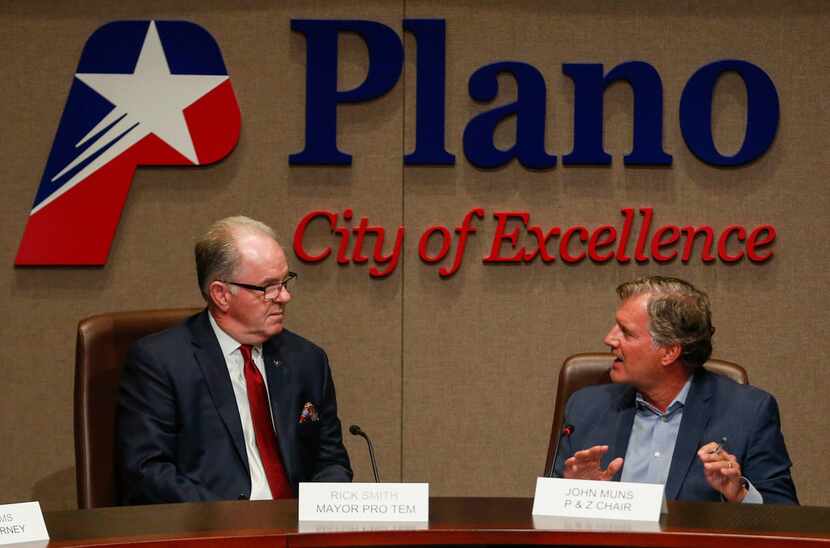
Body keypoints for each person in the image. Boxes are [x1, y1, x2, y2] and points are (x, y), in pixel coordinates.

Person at [118, 216, 352, 504]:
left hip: (295, 531)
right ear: (221, 294)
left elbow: (331, 461)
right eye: (268, 287)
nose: (285, 296)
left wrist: (318, 513)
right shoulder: (160, 362)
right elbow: (149, 472)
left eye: (285, 281)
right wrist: (228, 522)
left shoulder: (307, 360)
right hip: (209, 533)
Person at [554, 276, 797, 504]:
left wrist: (740, 495)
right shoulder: (585, 407)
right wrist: (572, 493)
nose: (609, 338)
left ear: (670, 352)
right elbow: (547, 513)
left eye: (625, 332)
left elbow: (785, 518)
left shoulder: (748, 412)